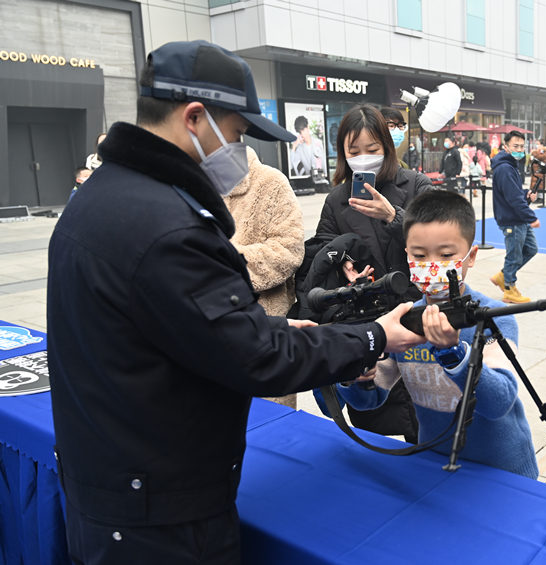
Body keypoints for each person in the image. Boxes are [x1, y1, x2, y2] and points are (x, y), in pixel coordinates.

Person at [47, 40, 424, 565]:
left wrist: (275, 330)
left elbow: (171, 331)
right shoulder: (169, 225)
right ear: (195, 118)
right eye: (239, 133)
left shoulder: (100, 195)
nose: (241, 152)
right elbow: (260, 360)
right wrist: (377, 336)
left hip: (109, 482)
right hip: (161, 517)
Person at [324, 190, 539, 479]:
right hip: (435, 464)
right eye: (420, 255)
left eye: (447, 254)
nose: (432, 265)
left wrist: (454, 354)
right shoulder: (404, 318)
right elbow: (370, 400)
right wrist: (356, 377)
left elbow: (499, 402)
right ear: (407, 256)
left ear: (470, 256)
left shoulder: (492, 317)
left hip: (502, 469)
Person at [315, 103, 432, 443]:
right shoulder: (337, 200)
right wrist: (342, 265)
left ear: (387, 146)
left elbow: (439, 238)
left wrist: (393, 216)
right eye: (354, 151)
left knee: (423, 423)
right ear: (343, 154)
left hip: (414, 318)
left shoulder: (415, 185)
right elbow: (321, 253)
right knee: (375, 430)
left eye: (372, 149)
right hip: (366, 325)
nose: (363, 158)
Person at [224, 146, 305, 408]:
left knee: (270, 426)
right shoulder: (184, 185)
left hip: (265, 328)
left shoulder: (269, 182)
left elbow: (288, 250)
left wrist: (222, 262)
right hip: (206, 333)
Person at [489, 130, 539, 304]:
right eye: (515, 146)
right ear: (506, 147)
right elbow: (512, 198)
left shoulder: (512, 165)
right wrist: (531, 217)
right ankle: (509, 289)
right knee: (514, 255)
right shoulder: (504, 168)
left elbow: (514, 192)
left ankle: (503, 275)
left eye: (521, 146)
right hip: (512, 218)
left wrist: (526, 194)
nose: (519, 149)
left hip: (518, 216)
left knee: (531, 249)